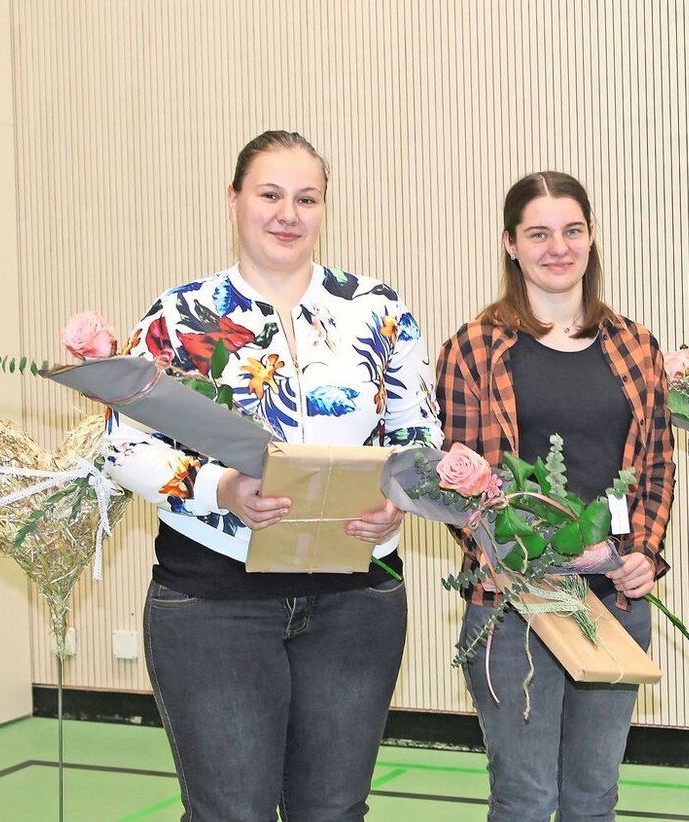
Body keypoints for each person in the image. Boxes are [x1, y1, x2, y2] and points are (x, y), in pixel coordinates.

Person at [105, 130, 442, 820]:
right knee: (232, 812)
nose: (288, 214)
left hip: (358, 602)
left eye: (306, 198)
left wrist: (398, 499)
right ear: (233, 201)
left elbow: (420, 437)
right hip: (214, 603)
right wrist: (221, 489)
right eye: (270, 195)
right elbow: (120, 444)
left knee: (335, 811)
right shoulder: (179, 315)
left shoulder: (378, 310)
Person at [435, 170, 675, 821]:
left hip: (614, 602)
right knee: (526, 798)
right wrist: (514, 557)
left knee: (594, 799)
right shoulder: (472, 350)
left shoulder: (636, 346)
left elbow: (654, 466)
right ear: (510, 244)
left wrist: (643, 551)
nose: (558, 248)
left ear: (592, 237)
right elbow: (459, 484)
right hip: (514, 605)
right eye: (538, 234)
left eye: (572, 231)